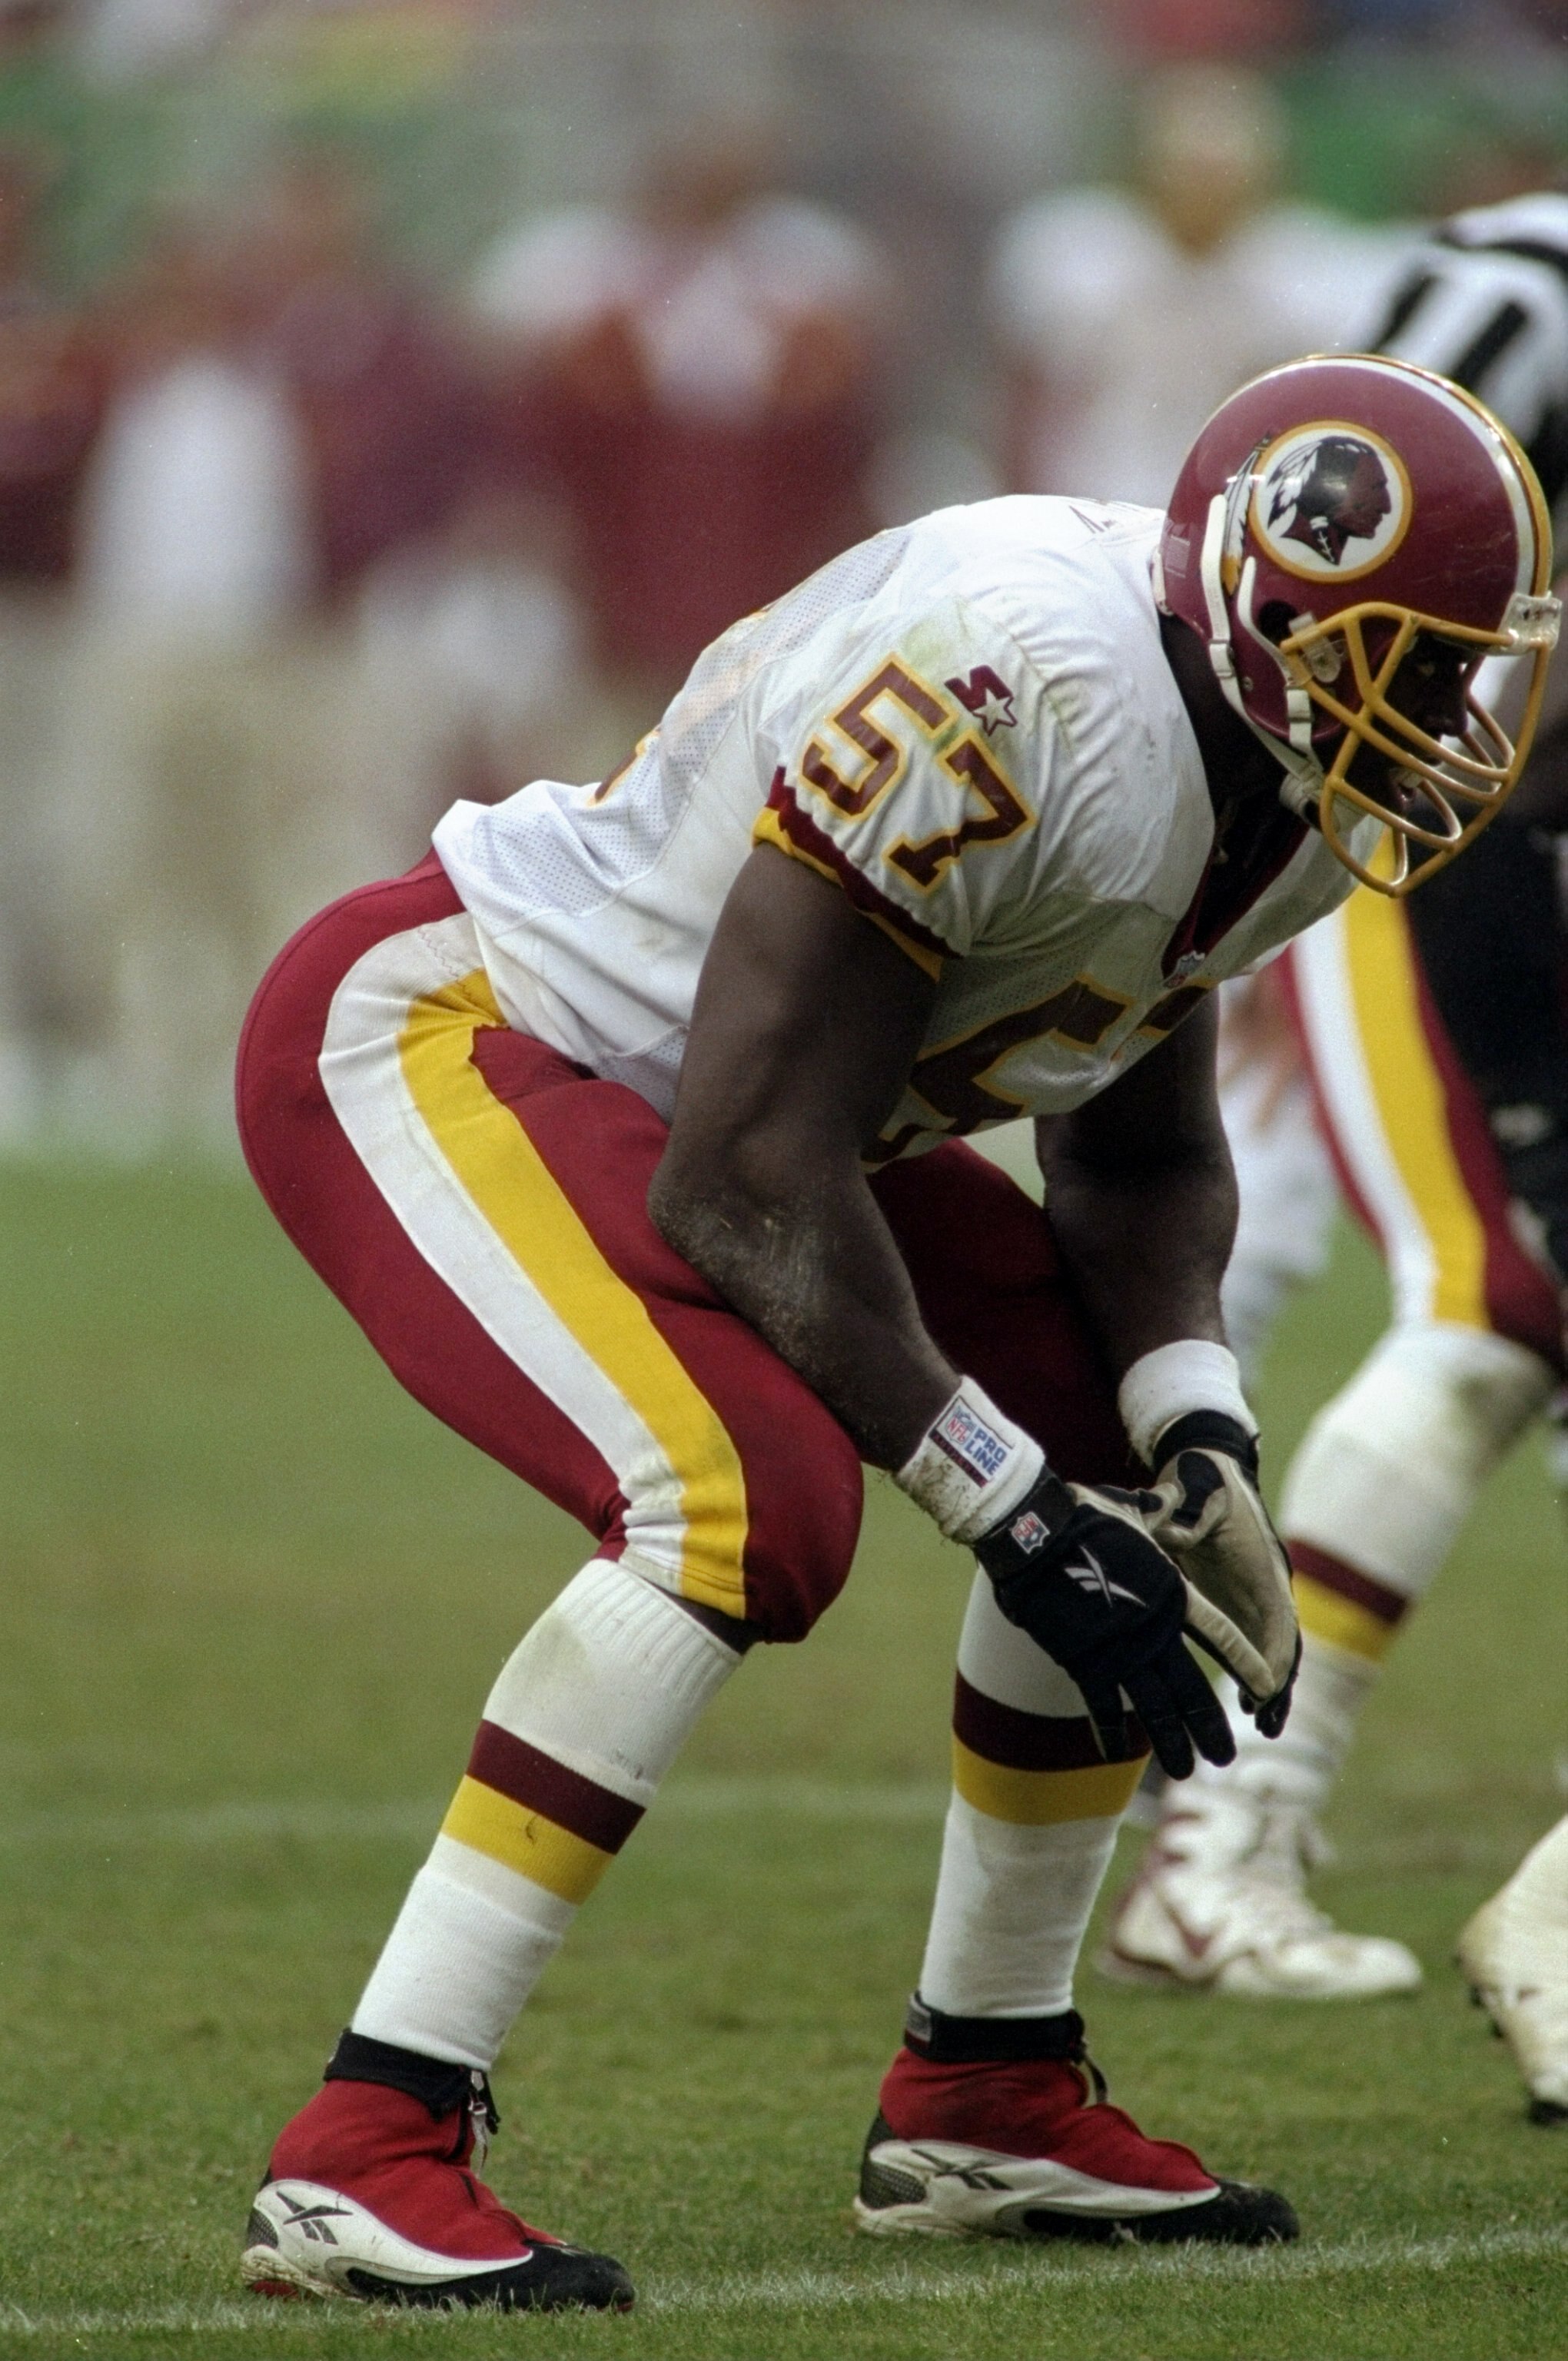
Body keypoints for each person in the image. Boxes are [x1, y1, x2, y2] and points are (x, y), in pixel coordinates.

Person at [232, 353, 1556, 2311]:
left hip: (725, 1109)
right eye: (1420, 665)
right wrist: (1007, 1511)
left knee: (1111, 1443)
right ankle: (367, 2142)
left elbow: (1139, 1156)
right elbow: (745, 1168)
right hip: (471, 1036)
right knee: (738, 1500)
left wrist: (1195, 1439)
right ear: (1279, 612)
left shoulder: (1263, 762)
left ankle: (987, 2084)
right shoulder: (1027, 674)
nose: (1458, 718)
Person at [1105, 193, 1568, 2087]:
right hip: (1442, 854)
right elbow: (1371, 581)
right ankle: (1217, 1846)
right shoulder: (1533, 286)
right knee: (1502, 1293)